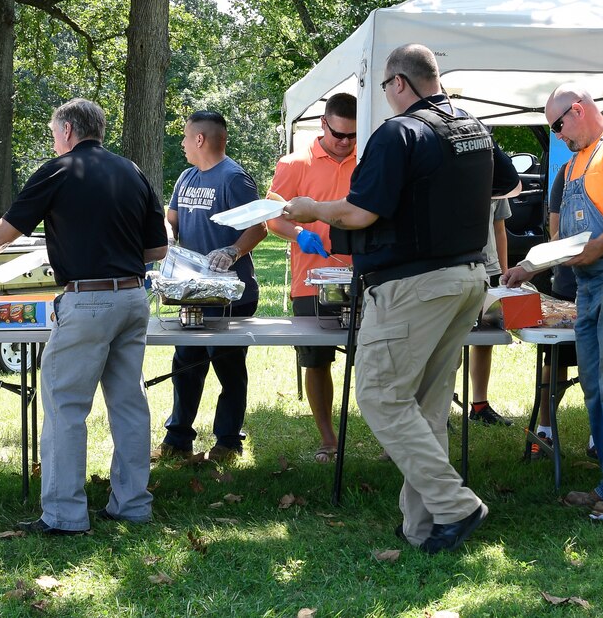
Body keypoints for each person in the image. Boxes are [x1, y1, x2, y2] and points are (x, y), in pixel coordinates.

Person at [284, 44, 521, 553]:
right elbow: (510, 184)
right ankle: (425, 525)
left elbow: (359, 213)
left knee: (378, 394)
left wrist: (310, 208)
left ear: (398, 84)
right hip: (468, 280)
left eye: (384, 88)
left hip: (415, 285)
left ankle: (457, 506)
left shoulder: (399, 132)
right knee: (426, 405)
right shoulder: (474, 126)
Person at [0, 99, 167, 535]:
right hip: (134, 299)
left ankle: (63, 515)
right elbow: (158, 250)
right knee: (129, 404)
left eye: (55, 132)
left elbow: (5, 231)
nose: (54, 141)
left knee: (65, 406)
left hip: (87, 300)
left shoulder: (58, 170)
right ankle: (132, 505)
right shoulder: (132, 171)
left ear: (70, 131)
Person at [503, 87, 603, 524]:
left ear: (579, 110)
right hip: (592, 285)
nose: (557, 136)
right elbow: (569, 242)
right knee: (597, 388)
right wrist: (527, 267)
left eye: (558, 125)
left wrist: (598, 247)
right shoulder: (578, 160)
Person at [154, 111, 267, 463]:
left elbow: (260, 227)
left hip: (231, 295)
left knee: (228, 368)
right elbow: (170, 220)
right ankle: (178, 439)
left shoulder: (234, 179)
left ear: (200, 139)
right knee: (185, 365)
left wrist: (233, 250)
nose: (183, 144)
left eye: (186, 138)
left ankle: (228, 442)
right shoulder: (186, 177)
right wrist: (170, 238)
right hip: (191, 293)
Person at [531, 106, 603, 460]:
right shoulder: (569, 172)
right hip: (571, 281)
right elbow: (557, 231)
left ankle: (600, 438)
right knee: (559, 356)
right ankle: (545, 426)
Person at [265, 93, 358, 463]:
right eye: (339, 134)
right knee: (316, 361)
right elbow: (273, 218)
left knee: (375, 359)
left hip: (363, 275)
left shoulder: (367, 160)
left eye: (352, 136)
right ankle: (328, 440)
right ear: (323, 124)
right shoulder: (294, 163)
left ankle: (390, 438)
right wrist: (298, 234)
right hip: (311, 280)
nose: (346, 142)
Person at [467, 197, 513, 426]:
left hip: (490, 270)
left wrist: (505, 275)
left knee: (485, 339)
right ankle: (440, 410)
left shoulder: (499, 173)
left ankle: (480, 405)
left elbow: (500, 229)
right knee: (447, 340)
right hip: (453, 268)